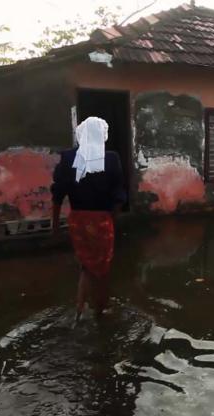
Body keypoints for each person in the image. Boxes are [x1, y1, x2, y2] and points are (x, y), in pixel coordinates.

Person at [51, 116, 126, 322]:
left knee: (86, 265)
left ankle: (79, 309)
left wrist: (55, 227)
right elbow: (118, 195)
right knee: (101, 269)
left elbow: (58, 194)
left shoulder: (68, 157)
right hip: (102, 220)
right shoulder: (110, 158)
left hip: (77, 220)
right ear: (102, 135)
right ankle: (101, 311)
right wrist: (112, 220)